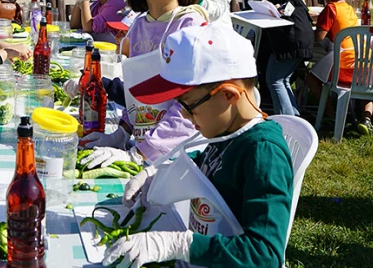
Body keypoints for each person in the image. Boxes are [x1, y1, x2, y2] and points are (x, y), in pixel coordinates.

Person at [105, 24, 293, 268]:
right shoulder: (225, 132)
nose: (184, 116)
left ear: (229, 96)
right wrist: (158, 174)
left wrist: (179, 246)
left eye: (189, 106)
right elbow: (208, 165)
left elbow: (264, 255)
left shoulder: (264, 153)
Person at [80, 0, 204, 168]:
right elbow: (137, 94)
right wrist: (122, 132)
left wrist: (141, 154)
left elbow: (190, 106)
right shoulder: (138, 26)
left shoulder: (190, 26)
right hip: (143, 145)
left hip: (181, 155)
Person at [247, 0, 315, 117]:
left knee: (274, 79)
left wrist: (281, 9)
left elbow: (289, 2)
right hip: (302, 33)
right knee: (282, 80)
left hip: (293, 35)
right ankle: (294, 120)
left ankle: (286, 123)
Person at [308, 0, 371, 132]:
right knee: (366, 87)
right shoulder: (350, 9)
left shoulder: (331, 8)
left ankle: (330, 116)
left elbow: (320, 36)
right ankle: (367, 118)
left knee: (311, 80)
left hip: (343, 61)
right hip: (364, 61)